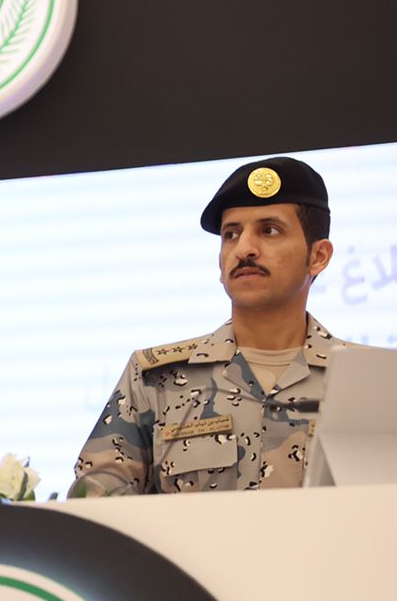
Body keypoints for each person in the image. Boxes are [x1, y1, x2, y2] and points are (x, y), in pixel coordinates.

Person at [73, 156, 349, 496]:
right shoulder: (154, 379)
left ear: (318, 256)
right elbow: (95, 501)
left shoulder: (372, 381)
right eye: (231, 234)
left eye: (269, 231)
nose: (244, 249)